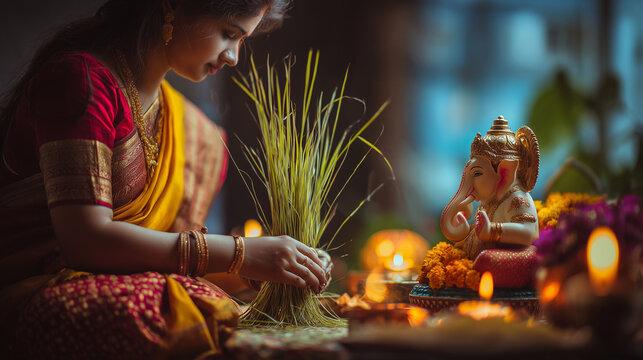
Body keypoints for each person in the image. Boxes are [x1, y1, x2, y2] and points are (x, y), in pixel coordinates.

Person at [0, 0, 331, 358]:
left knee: (210, 310)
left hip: (126, 282)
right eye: (229, 34)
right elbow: (85, 242)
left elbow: (169, 257)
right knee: (159, 315)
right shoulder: (80, 81)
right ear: (172, 7)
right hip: (37, 288)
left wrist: (267, 267)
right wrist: (241, 252)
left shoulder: (193, 132)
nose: (234, 56)